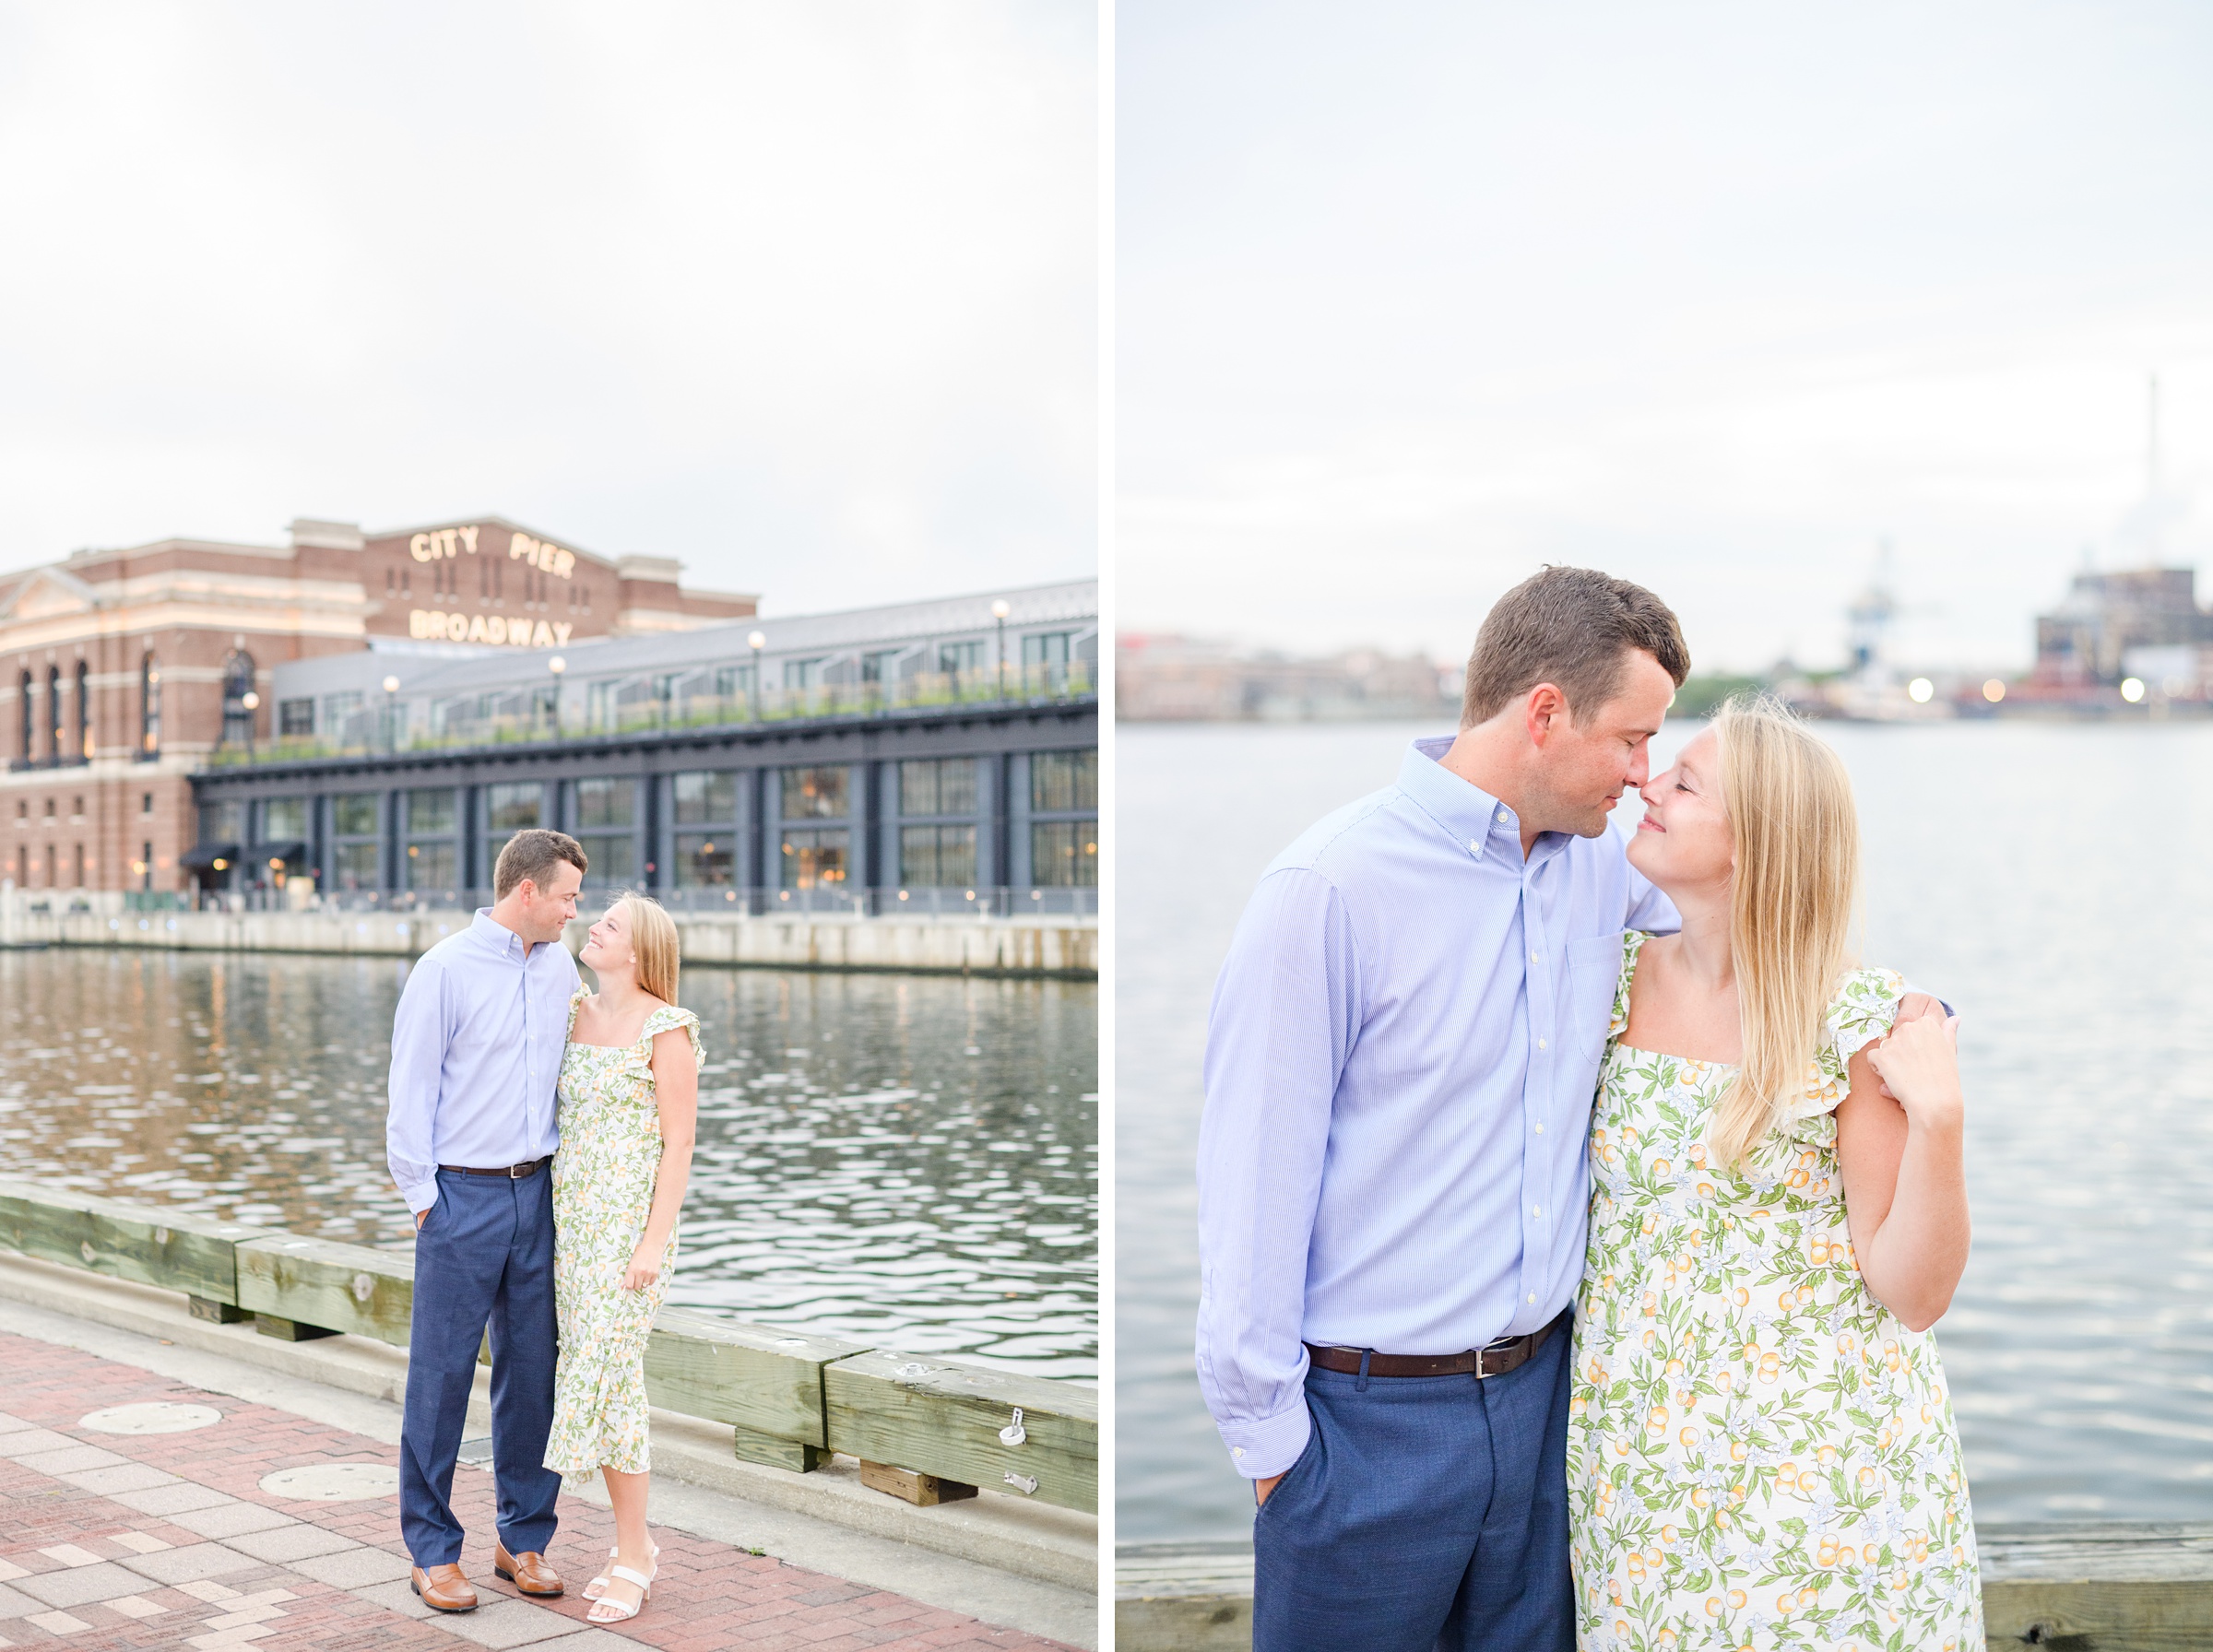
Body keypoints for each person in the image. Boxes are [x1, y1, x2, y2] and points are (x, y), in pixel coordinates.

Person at [1195, 567, 1938, 1652]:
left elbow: (1762, 927)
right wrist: (1280, 1461)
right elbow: (1251, 1188)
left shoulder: (1606, 873)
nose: (1643, 777)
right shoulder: (1329, 892)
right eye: (1634, 740)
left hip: (1554, 1420)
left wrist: (1910, 1021)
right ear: (1545, 713)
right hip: (1364, 1432)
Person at [1568, 697, 1980, 1649]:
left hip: (1824, 1479)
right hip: (1642, 1470)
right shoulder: (1605, 979)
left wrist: (1941, 1124)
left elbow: (1913, 1291)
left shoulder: (1862, 1020)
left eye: (1685, 781)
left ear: (1756, 840)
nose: (1648, 782)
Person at [386, 829, 586, 1613]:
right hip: (459, 1197)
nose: (575, 909)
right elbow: (410, 1096)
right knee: (439, 1378)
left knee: (533, 1373)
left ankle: (523, 1538)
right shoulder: (443, 971)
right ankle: (432, 1551)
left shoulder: (560, 965)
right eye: (567, 895)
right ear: (527, 892)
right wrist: (425, 1201)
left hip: (537, 1195)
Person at [542, 892, 701, 1627]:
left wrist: (651, 1243)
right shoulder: (572, 1011)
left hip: (629, 1238)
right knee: (594, 1373)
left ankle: (635, 1551)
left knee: (613, 1383)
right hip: (570, 1230)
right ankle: (630, 1545)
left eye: (608, 924)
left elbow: (680, 1145)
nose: (592, 928)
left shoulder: (666, 1029)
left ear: (637, 952)